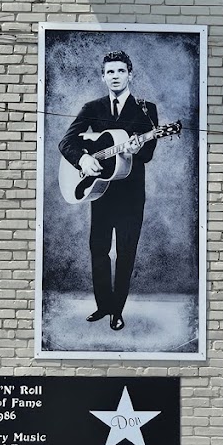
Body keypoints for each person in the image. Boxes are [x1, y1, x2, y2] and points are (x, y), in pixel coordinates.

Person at [58, 50, 158, 332]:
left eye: (121, 71)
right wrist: (83, 159)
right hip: (98, 190)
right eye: (110, 72)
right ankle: (103, 306)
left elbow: (149, 153)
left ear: (130, 74)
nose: (115, 76)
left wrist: (139, 149)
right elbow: (66, 143)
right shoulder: (92, 108)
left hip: (130, 194)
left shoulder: (145, 109)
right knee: (98, 250)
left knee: (126, 253)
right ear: (103, 77)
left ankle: (117, 310)